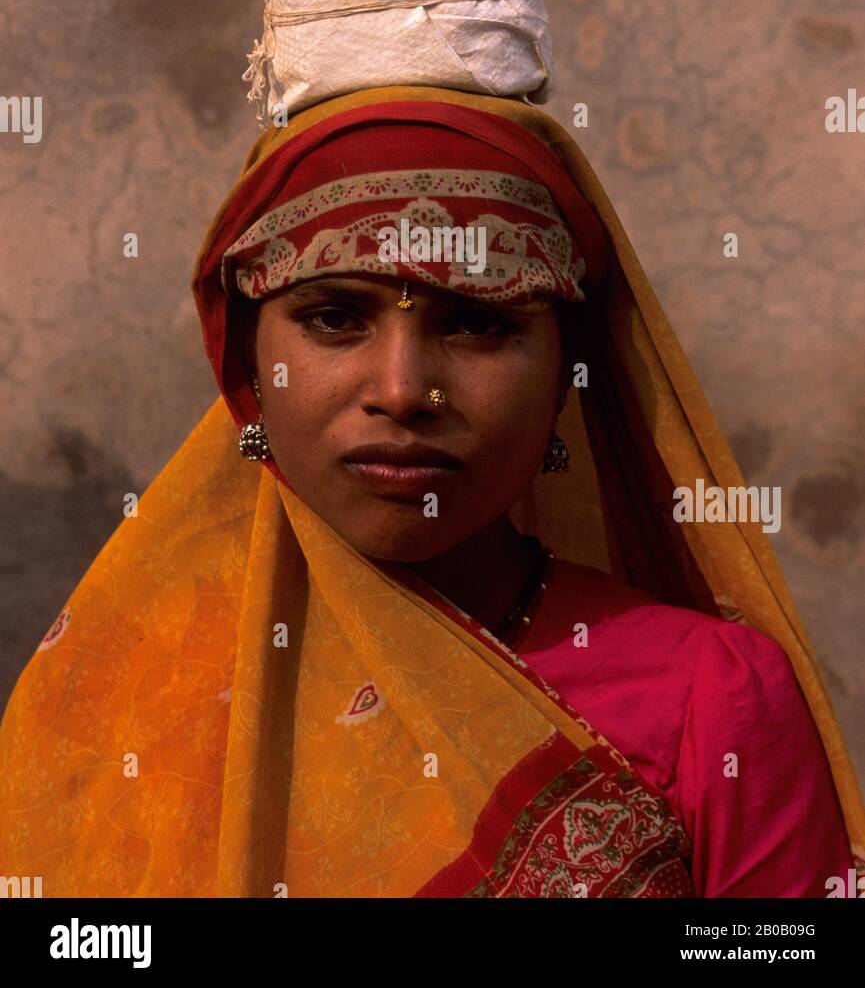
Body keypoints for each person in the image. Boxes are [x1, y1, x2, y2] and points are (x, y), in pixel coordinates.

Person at [0, 84, 862, 899]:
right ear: (244, 368)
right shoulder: (116, 694)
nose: (406, 390)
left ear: (568, 368)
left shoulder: (708, 697)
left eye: (480, 321)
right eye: (334, 316)